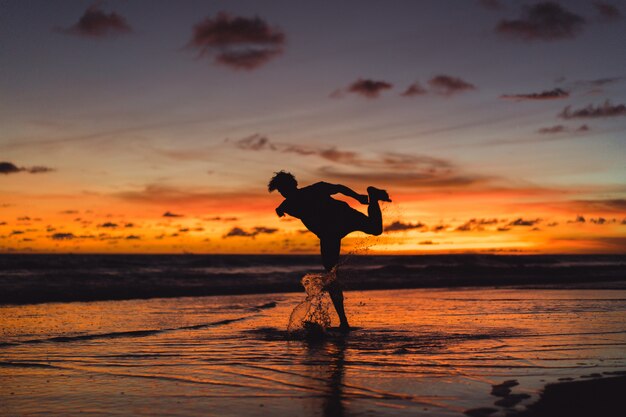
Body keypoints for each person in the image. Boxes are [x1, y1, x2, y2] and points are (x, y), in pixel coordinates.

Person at [268, 170, 391, 330]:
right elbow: (281, 207)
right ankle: (344, 322)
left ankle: (372, 197)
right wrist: (279, 210)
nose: (285, 193)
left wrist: (358, 197)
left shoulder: (315, 189)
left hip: (343, 217)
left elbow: (339, 188)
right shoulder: (287, 204)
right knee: (331, 275)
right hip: (328, 234)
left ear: (295, 185)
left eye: (286, 188)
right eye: (281, 191)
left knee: (375, 229)